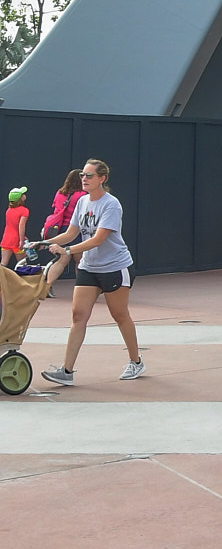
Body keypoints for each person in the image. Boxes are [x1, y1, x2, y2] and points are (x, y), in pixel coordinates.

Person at [39, 159, 145, 384]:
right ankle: (66, 371)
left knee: (120, 315)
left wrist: (67, 250)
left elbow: (98, 239)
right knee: (78, 316)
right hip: (89, 267)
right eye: (82, 176)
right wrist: (44, 242)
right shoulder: (81, 201)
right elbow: (71, 233)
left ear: (101, 179)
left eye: (89, 176)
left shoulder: (111, 204)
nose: (84, 179)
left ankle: (136, 362)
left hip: (115, 267)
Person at [42, 170, 83, 240]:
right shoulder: (83, 195)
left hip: (58, 228)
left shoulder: (59, 193)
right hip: (74, 229)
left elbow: (55, 208)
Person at [2, 187, 29, 267]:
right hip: (17, 241)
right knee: (22, 265)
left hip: (6, 240)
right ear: (20, 198)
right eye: (22, 194)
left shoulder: (8, 210)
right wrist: (21, 240)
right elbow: (21, 226)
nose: (24, 195)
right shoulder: (24, 210)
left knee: (3, 264)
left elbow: (11, 226)